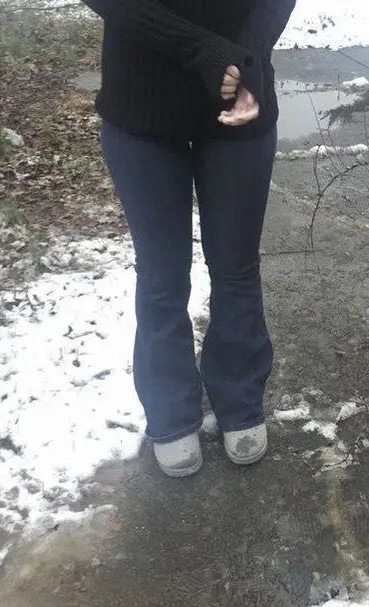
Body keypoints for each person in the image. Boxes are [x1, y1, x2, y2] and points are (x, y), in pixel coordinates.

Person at [81, 0, 296, 477]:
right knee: (162, 274)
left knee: (237, 266)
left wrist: (248, 59)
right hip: (143, 107)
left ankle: (240, 400)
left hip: (241, 94)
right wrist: (202, 48)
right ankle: (171, 412)